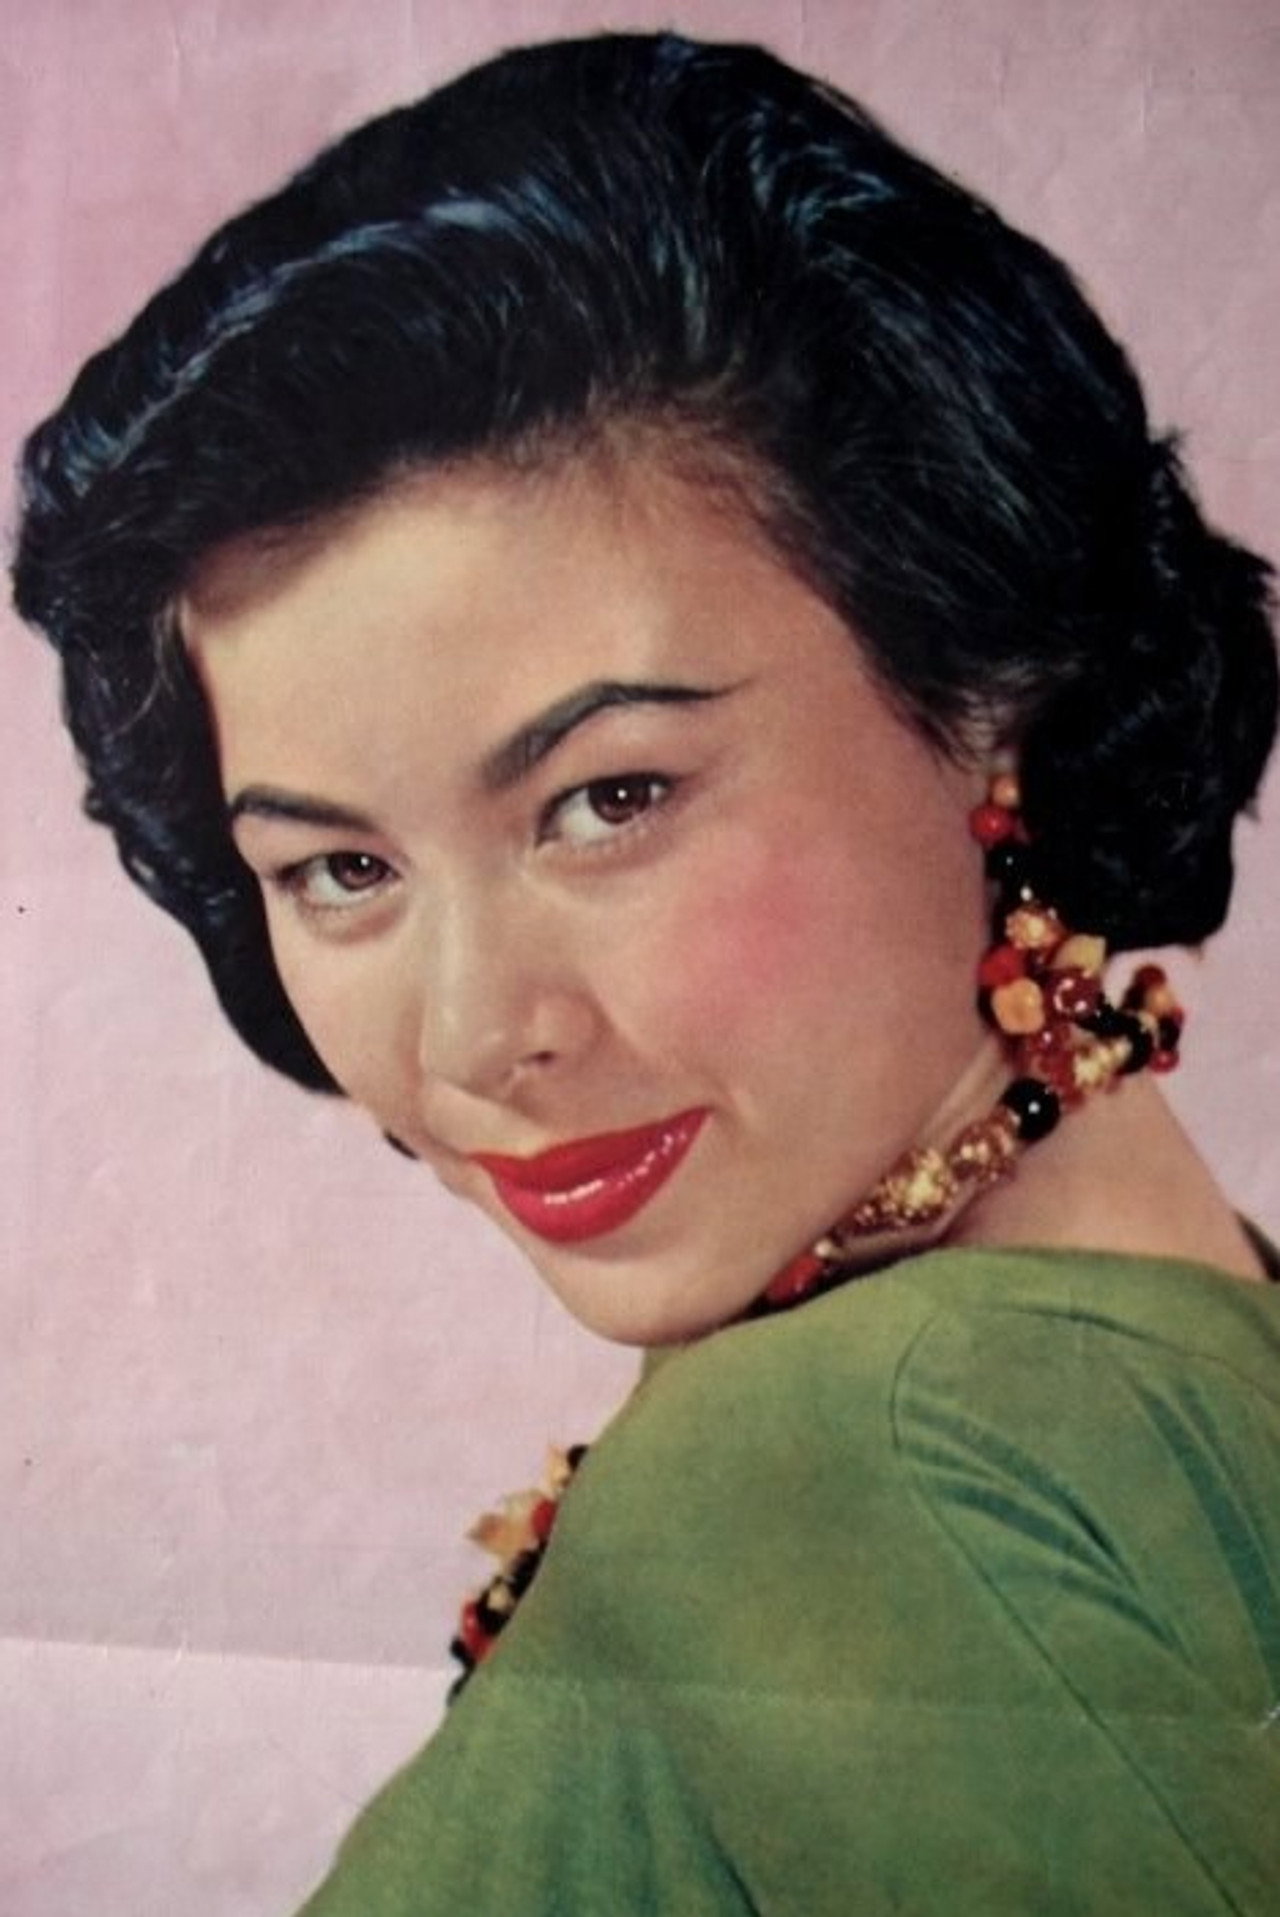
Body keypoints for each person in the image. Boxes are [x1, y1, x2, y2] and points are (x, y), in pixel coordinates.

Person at [11, 30, 1280, 1915]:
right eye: (342, 868)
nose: (476, 1036)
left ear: (994, 688)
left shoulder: (832, 1462)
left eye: (608, 799)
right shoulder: (1180, 1332)